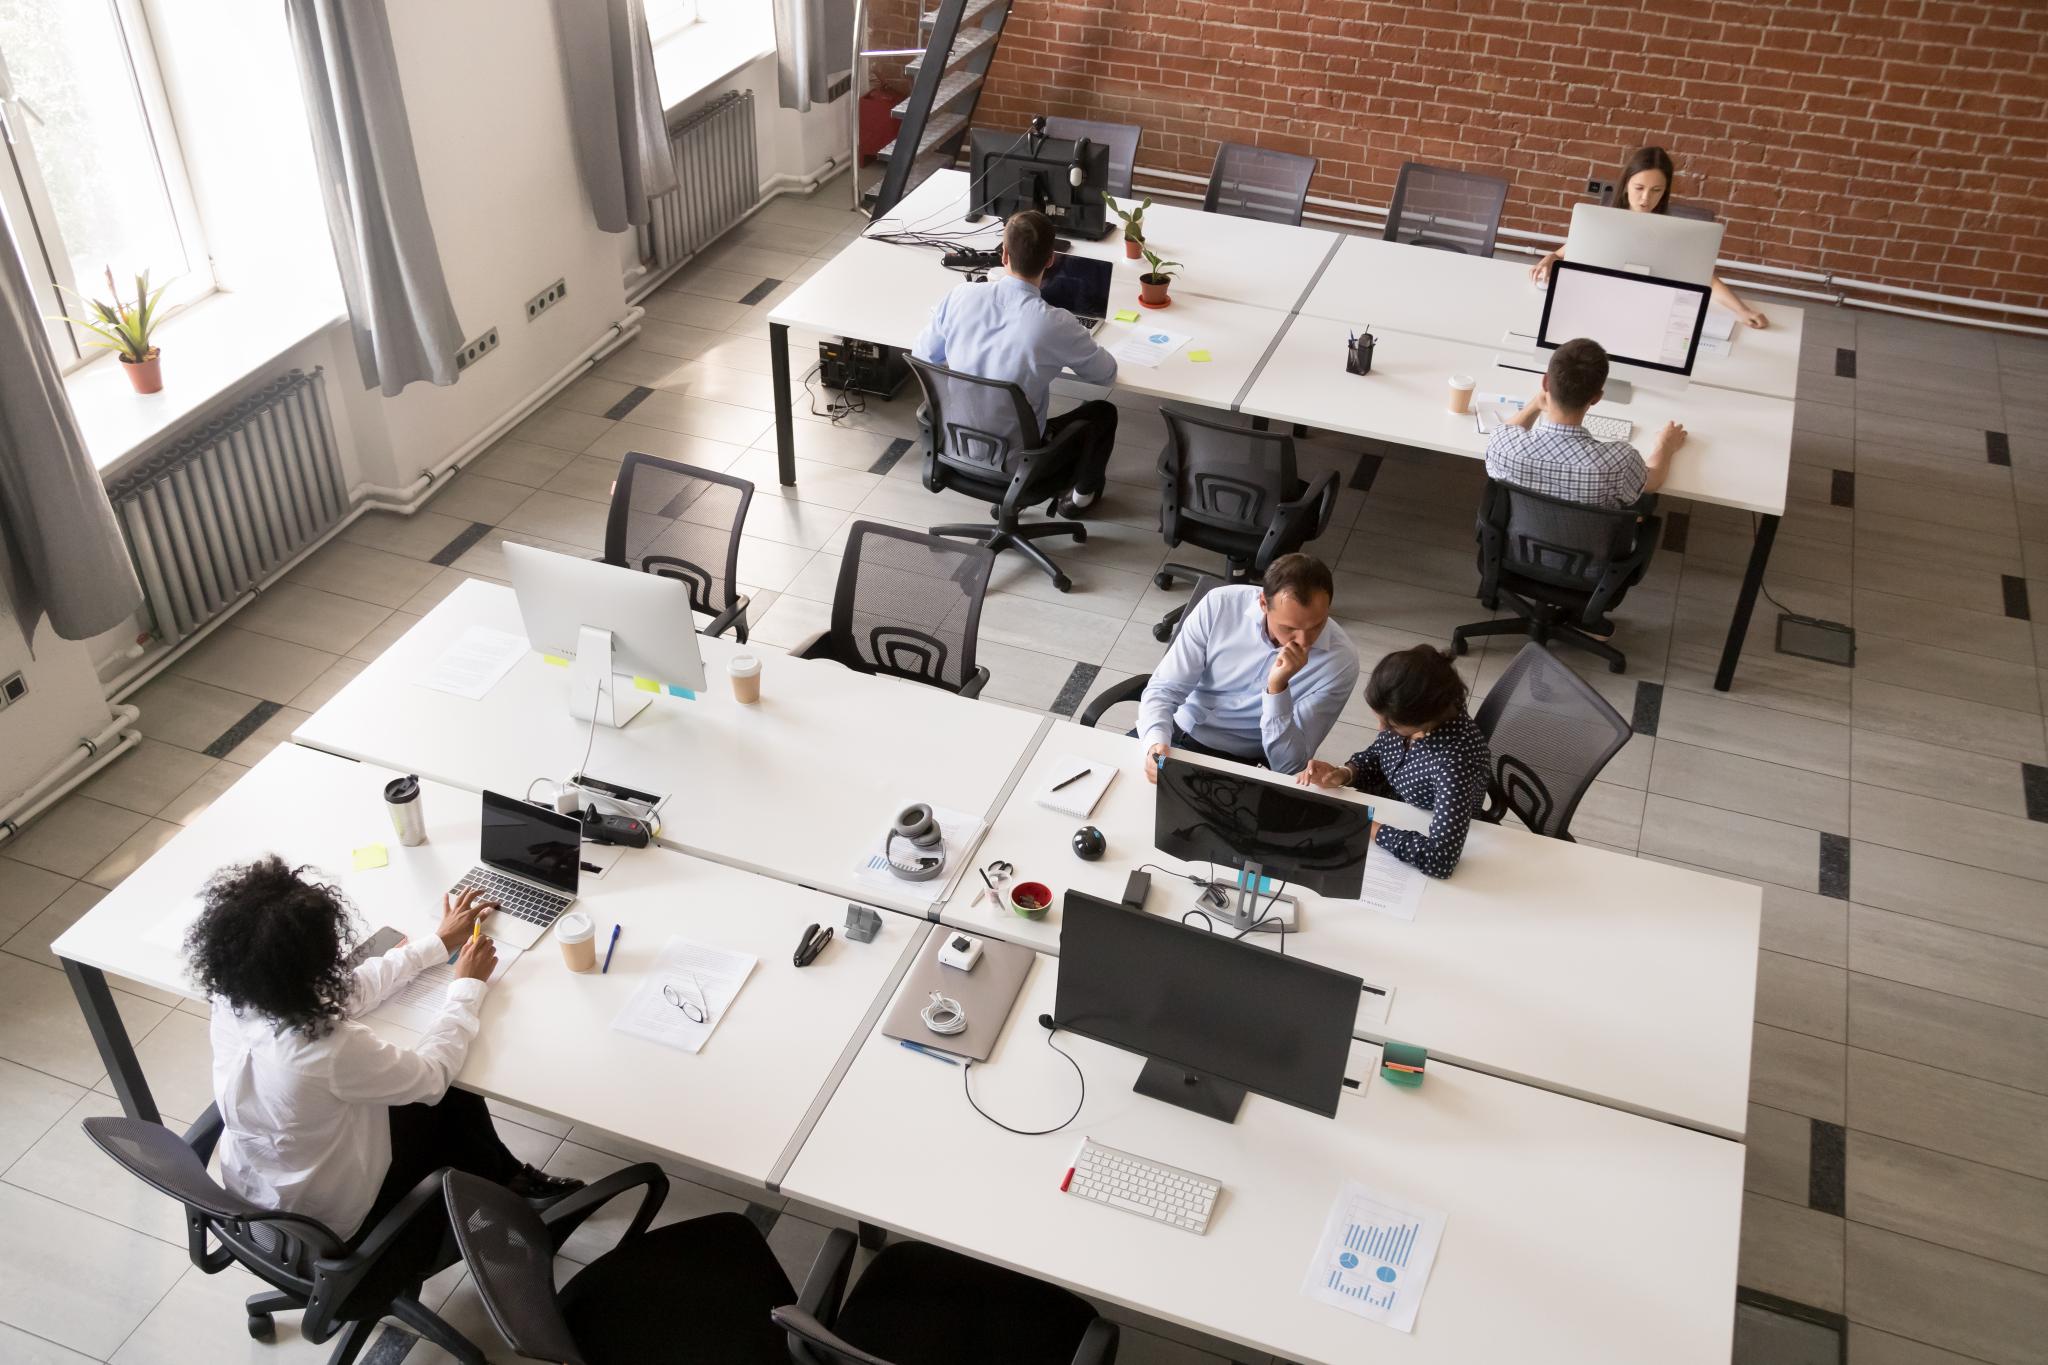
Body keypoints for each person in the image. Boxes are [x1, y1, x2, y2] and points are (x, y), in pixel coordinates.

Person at [187, 857, 579, 1260]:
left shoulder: (236, 996)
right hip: (333, 1221)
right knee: (452, 1091)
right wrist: (466, 987)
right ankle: (506, 1210)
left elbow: (344, 993)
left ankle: (507, 1176)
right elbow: (432, 1075)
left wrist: (436, 944)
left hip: (260, 1186)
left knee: (441, 1093)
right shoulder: (329, 1050)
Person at [912, 209, 1119, 518]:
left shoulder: (960, 296)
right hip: (1018, 463)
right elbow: (1106, 374)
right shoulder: (1054, 323)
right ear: (1051, 260)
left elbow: (924, 356)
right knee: (1103, 412)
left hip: (953, 445)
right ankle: (1079, 501)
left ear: (1003, 254)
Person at [1137, 553, 1360, 780]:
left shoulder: (1341, 662)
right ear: (1263, 603)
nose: (1304, 642)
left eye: (1317, 625)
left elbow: (1289, 766)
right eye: (1289, 628)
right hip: (1175, 733)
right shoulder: (1220, 605)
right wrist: (1155, 742)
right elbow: (1165, 689)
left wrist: (1277, 690)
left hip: (1244, 764)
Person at [1296, 645, 1492, 879]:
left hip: (1422, 819)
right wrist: (1345, 773)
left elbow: (1440, 860)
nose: (1381, 730)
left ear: (1424, 720)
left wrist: (1366, 826)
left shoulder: (1454, 764)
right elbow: (1380, 753)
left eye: (1391, 726)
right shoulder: (1413, 714)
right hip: (1396, 804)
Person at [1530, 145, 1769, 329]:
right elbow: (1568, 250)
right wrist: (1550, 257)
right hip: (1599, 307)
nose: (1646, 198)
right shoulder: (1605, 223)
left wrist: (1742, 310)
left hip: (1647, 313)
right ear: (1625, 185)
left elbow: (1706, 278)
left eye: (1656, 190)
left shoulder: (1669, 232)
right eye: (1639, 188)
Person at [1485, 337, 1684, 510]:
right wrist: (1666, 445)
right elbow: (1653, 481)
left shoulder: (1503, 445)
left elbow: (1508, 430)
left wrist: (1535, 405)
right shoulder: (1619, 462)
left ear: (1545, 383)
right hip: (1587, 550)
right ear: (1597, 398)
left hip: (1518, 543)